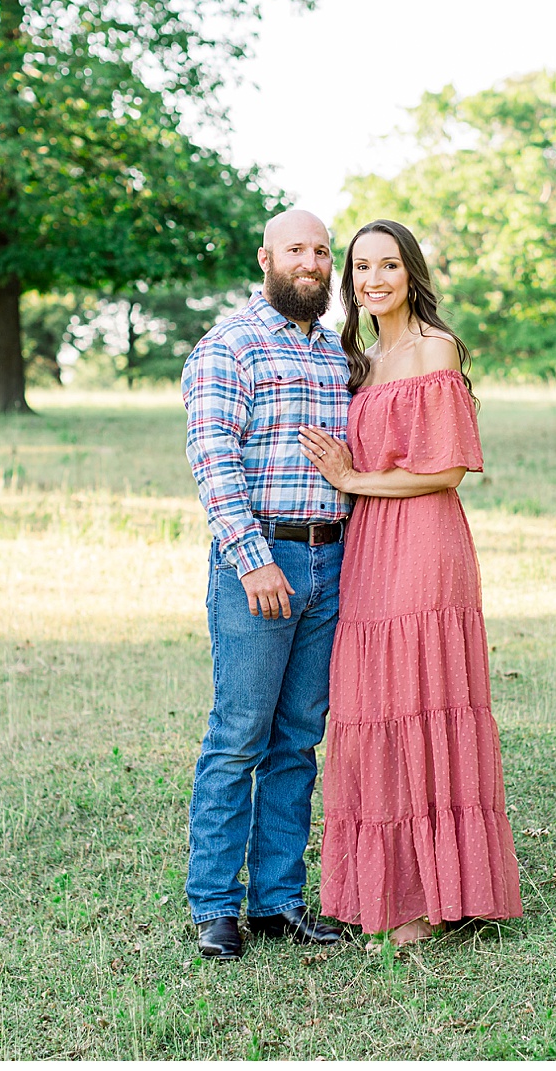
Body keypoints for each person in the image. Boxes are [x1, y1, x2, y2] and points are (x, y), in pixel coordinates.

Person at [298, 218, 523, 948]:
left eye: (388, 265)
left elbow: (448, 469)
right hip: (370, 545)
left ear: (410, 272)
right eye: (361, 268)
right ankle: (385, 888)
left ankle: (434, 897)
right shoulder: (358, 357)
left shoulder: (435, 347)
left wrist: (352, 478)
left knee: (422, 698)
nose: (374, 279)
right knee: (372, 706)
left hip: (425, 541)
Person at [179, 208, 355, 961]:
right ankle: (216, 904)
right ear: (265, 258)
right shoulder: (230, 346)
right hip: (260, 562)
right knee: (239, 736)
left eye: (321, 250)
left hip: (330, 560)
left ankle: (279, 900)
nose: (312, 261)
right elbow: (214, 460)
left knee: (297, 739)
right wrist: (253, 560)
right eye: (297, 249)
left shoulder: (335, 354)